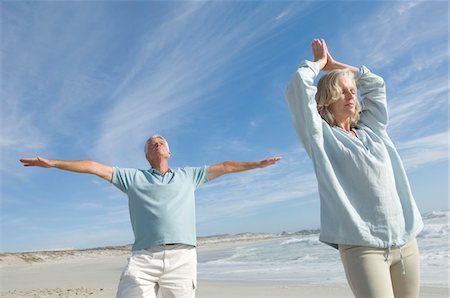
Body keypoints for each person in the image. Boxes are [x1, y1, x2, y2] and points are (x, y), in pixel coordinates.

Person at [20, 134, 281, 298]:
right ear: (147, 155)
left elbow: (225, 166)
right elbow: (94, 167)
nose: (157, 144)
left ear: (168, 152)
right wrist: (54, 163)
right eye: (151, 144)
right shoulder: (133, 178)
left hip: (183, 257)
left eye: (161, 142)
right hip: (144, 257)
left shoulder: (189, 176)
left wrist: (257, 164)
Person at [285, 39, 423, 298]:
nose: (351, 95)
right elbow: (297, 90)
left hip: (406, 241)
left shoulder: (374, 130)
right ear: (326, 99)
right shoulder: (322, 138)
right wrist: (318, 65)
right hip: (362, 247)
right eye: (342, 91)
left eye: (352, 90)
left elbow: (376, 84)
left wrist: (338, 67)